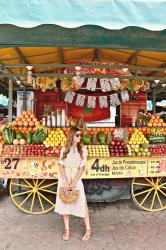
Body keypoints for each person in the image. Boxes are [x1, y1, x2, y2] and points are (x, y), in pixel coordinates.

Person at [54, 127, 91, 241]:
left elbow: (81, 167)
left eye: (80, 135)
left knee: (81, 202)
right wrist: (65, 181)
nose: (80, 137)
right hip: (64, 177)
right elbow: (61, 165)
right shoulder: (64, 149)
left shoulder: (83, 149)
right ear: (71, 136)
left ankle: (88, 229)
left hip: (76, 177)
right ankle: (67, 229)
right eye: (77, 135)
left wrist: (74, 182)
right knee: (65, 202)